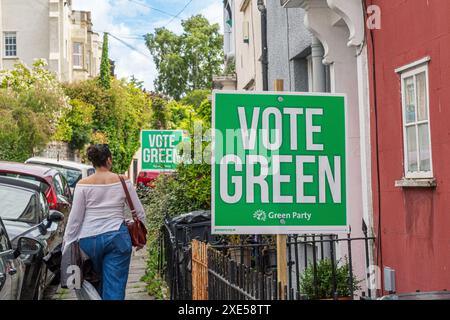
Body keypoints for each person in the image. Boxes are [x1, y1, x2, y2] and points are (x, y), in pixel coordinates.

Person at [62, 144, 146, 300]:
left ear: (93, 162)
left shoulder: (83, 185)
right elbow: (139, 212)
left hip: (88, 240)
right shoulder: (123, 181)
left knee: (93, 285)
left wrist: (67, 243)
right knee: (114, 287)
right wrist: (141, 237)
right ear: (109, 160)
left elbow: (75, 219)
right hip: (117, 239)